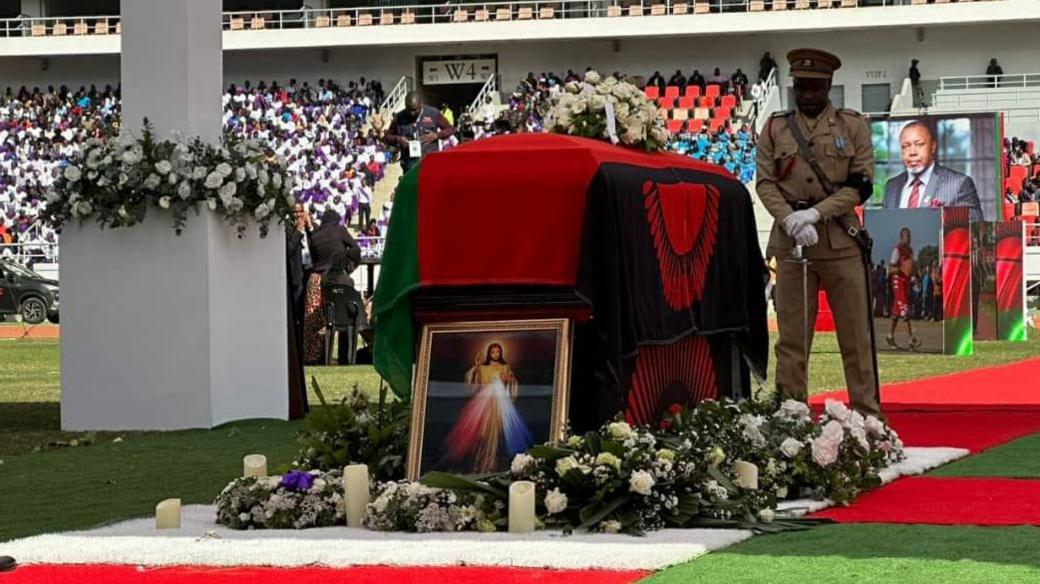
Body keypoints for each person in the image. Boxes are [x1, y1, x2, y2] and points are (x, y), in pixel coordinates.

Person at [756, 48, 881, 418]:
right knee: (792, 340)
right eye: (802, 87)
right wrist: (790, 219)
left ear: (828, 86)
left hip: (840, 241)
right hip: (793, 244)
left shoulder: (852, 126)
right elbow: (765, 183)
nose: (808, 94)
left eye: (815, 87)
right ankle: (791, 417)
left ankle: (867, 415)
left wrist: (814, 214)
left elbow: (861, 185)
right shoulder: (775, 127)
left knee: (856, 336)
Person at [444, 343, 533, 473]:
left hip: (497, 405)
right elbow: (473, 382)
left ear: (500, 353)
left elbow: (512, 384)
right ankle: (477, 466)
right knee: (481, 435)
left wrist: (510, 379)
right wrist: (476, 367)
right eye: (493, 352)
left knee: (493, 437)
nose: (495, 354)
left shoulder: (505, 367)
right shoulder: (482, 368)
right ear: (489, 353)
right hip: (482, 404)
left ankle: (490, 467)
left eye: (498, 352)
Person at [881, 121, 983, 221]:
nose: (912, 152)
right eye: (906, 146)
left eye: (919, 144)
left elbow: (973, 231)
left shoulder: (959, 184)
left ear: (932, 147)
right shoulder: (891, 187)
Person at [303, 209, 361, 364]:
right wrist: (347, 263)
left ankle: (313, 356)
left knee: (314, 321)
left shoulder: (315, 236)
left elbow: (315, 261)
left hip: (316, 280)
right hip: (337, 279)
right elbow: (356, 249)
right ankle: (345, 357)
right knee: (343, 314)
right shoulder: (340, 231)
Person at [384, 91, 455, 174]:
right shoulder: (399, 117)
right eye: (408, 109)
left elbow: (451, 129)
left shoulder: (433, 113)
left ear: (421, 104)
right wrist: (398, 139)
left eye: (414, 110)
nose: (411, 113)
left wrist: (437, 135)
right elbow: (387, 137)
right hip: (409, 165)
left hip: (430, 163)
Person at [886, 227, 921, 350]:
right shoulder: (897, 250)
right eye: (907, 236)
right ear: (902, 237)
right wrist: (901, 270)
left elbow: (912, 266)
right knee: (904, 310)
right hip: (897, 283)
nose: (909, 238)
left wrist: (914, 277)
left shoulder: (910, 250)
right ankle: (911, 340)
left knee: (896, 312)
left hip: (906, 283)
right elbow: (890, 269)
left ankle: (890, 336)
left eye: (910, 236)